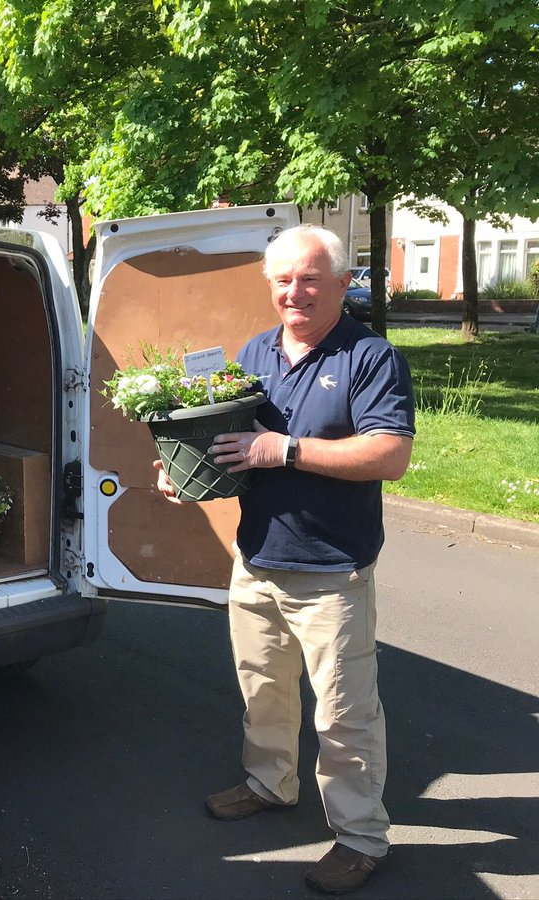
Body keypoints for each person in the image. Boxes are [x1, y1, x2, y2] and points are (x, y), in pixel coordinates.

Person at [155, 224, 415, 895]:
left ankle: (361, 838)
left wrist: (286, 449)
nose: (294, 292)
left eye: (309, 279)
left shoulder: (371, 358)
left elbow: (390, 454)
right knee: (262, 687)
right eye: (282, 279)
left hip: (332, 569)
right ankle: (271, 783)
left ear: (342, 283)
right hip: (257, 558)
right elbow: (231, 444)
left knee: (344, 714)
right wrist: (187, 473)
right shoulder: (254, 352)